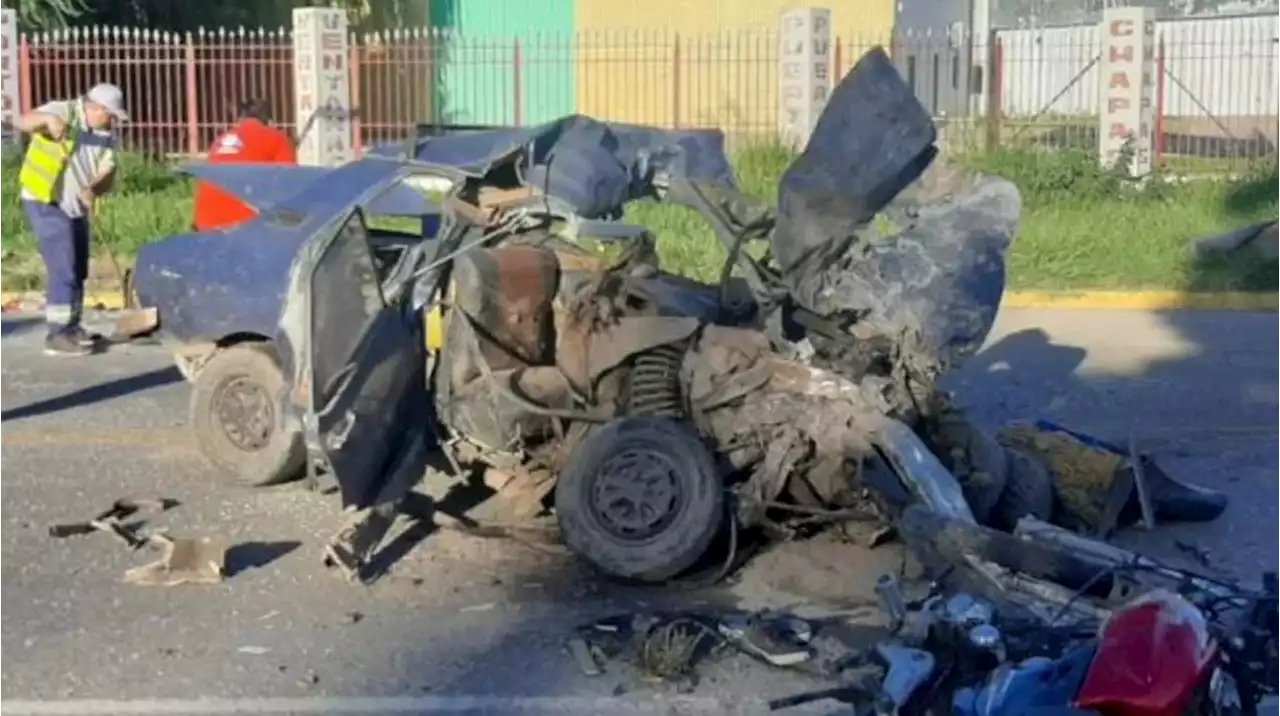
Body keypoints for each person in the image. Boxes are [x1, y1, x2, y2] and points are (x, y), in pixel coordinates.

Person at [15, 83, 127, 357]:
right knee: (63, 264)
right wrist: (48, 120)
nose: (113, 121)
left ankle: (73, 326)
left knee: (78, 266)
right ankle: (58, 334)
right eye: (110, 115)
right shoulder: (63, 111)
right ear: (95, 108)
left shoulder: (107, 135)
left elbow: (107, 171)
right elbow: (22, 121)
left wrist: (94, 189)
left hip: (76, 205)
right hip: (46, 200)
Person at [192, 98, 296, 232]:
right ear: (270, 122)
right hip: (243, 223)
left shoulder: (221, 139)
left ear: (240, 119)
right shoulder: (277, 137)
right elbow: (289, 183)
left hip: (204, 221)